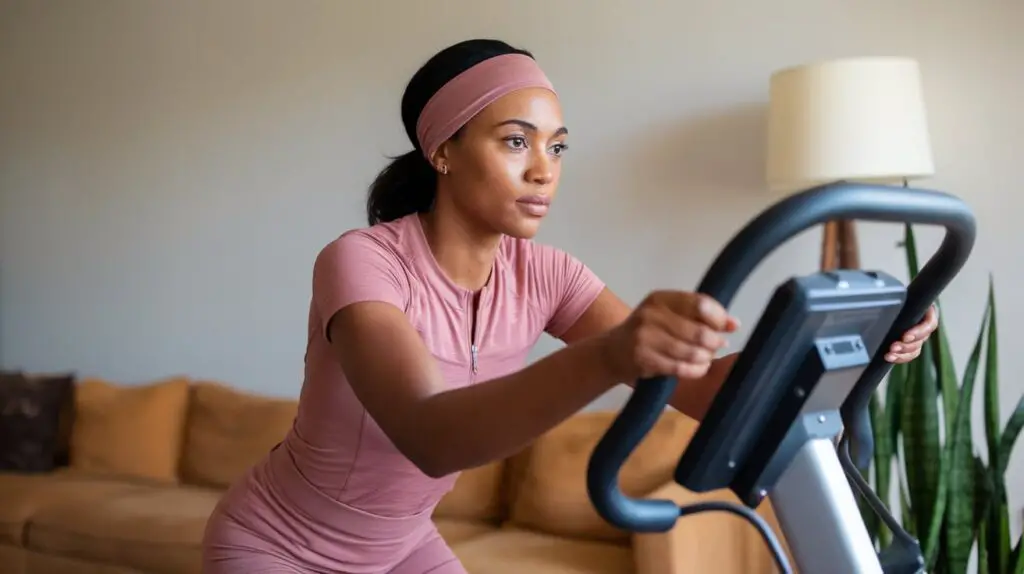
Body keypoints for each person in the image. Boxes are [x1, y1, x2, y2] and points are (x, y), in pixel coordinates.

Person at [200, 38, 940, 573]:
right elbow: (429, 434)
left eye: (557, 148)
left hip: (400, 549)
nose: (543, 171)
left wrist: (859, 337)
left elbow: (706, 392)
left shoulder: (548, 276)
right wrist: (611, 355)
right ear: (444, 152)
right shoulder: (362, 262)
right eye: (515, 141)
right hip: (279, 548)